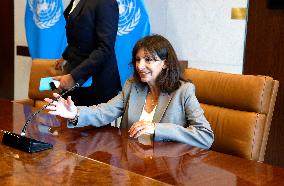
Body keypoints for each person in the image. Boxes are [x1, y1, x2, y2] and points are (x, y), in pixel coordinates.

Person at [45, 34, 214, 149]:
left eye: (148, 60)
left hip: (166, 168)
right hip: (132, 163)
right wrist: (75, 113)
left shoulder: (184, 91)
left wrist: (156, 128)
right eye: (138, 59)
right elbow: (105, 111)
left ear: (165, 63)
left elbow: (205, 136)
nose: (140, 66)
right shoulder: (133, 86)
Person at [54, 0, 121, 106]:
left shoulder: (105, 2)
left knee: (83, 121)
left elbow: (104, 48)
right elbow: (81, 39)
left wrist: (73, 77)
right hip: (76, 76)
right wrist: (65, 56)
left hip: (96, 84)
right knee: (64, 117)